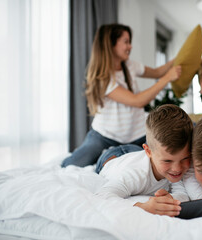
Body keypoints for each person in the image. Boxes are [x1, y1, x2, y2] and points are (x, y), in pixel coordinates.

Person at [62, 24, 181, 167]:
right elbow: (137, 101)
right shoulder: (103, 78)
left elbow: (157, 72)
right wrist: (167, 79)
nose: (130, 46)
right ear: (111, 44)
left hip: (138, 134)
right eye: (126, 42)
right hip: (105, 136)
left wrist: (177, 59)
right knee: (73, 164)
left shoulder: (130, 65)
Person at [95, 104, 193, 217]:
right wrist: (143, 207)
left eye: (185, 158)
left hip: (139, 153)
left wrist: (171, 199)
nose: (177, 168)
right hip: (112, 157)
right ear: (149, 152)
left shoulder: (172, 163)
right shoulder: (135, 175)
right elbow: (102, 196)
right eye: (167, 161)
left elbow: (182, 193)